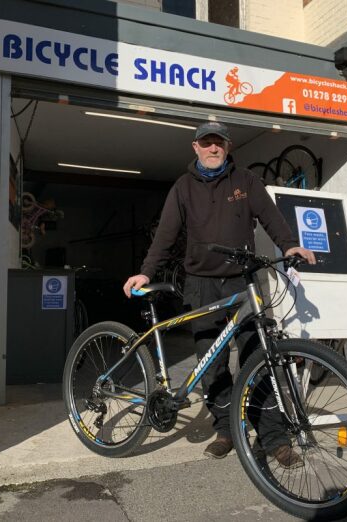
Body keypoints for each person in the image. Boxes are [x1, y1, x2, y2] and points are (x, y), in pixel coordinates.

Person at [123, 121, 316, 468]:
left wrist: (290, 246)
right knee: (211, 365)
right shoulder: (183, 188)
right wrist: (146, 271)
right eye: (206, 143)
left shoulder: (245, 182)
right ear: (195, 147)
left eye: (219, 144)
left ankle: (274, 439)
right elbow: (166, 234)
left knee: (258, 360)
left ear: (227, 148)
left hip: (243, 282)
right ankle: (226, 430)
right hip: (200, 283)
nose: (213, 149)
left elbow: (271, 216)